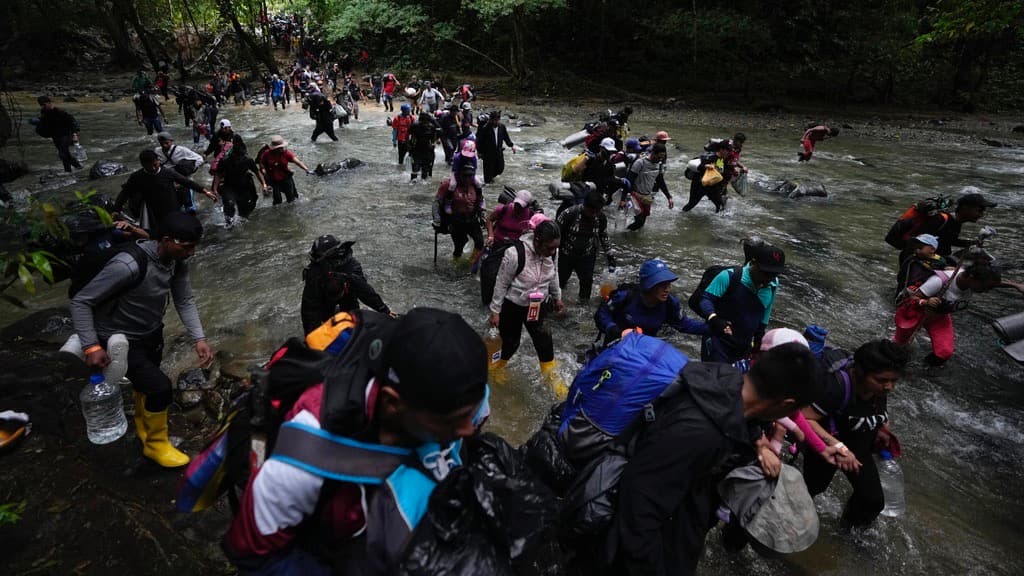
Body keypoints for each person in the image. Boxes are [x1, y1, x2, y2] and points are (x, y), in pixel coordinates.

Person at [223, 308, 490, 574]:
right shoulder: (302, 460)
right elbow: (252, 554)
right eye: (454, 421)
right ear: (392, 402)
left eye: (473, 412)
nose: (469, 428)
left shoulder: (460, 395)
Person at [605, 342, 820, 575]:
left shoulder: (724, 381)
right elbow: (638, 513)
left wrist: (759, 442)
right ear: (786, 404)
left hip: (680, 516)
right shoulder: (699, 432)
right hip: (648, 548)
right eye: (794, 411)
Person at [69, 212, 212, 468]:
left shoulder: (177, 261)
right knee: (160, 387)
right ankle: (156, 446)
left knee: (144, 385)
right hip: (117, 339)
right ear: (166, 240)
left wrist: (198, 338)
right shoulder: (128, 265)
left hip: (151, 332)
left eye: (194, 246)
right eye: (187, 247)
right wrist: (91, 346)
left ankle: (144, 429)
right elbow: (81, 301)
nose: (191, 253)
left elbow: (184, 299)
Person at [801, 340, 909, 526]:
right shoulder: (836, 387)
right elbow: (804, 418)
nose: (889, 387)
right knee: (811, 490)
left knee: (872, 501)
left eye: (894, 381)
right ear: (860, 372)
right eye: (882, 380)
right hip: (828, 447)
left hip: (858, 445)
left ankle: (847, 533)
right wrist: (838, 446)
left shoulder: (878, 389)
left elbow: (875, 410)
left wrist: (881, 428)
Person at [487, 218, 566, 394]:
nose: (552, 252)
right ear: (537, 241)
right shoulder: (515, 254)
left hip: (537, 304)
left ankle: (552, 379)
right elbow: (501, 283)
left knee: (545, 342)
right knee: (510, 343)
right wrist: (495, 311)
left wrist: (557, 297)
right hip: (513, 305)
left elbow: (554, 274)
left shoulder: (552, 253)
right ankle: (496, 368)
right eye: (549, 248)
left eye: (555, 248)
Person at [894, 263, 1016, 365]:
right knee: (899, 348)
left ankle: (922, 371)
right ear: (972, 278)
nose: (986, 291)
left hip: (939, 316)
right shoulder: (939, 281)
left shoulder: (972, 279)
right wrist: (926, 301)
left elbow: (992, 283)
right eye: (985, 287)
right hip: (915, 313)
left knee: (944, 353)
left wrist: (1015, 286)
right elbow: (911, 297)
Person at [698, 244, 785, 363]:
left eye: (774, 274)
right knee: (717, 374)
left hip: (744, 346)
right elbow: (705, 299)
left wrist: (759, 336)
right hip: (718, 341)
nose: (769, 278)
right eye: (765, 273)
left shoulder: (773, 284)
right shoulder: (730, 276)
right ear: (753, 263)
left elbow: (766, 311)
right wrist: (714, 318)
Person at [595, 258, 706, 345]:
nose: (667, 289)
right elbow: (602, 313)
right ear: (649, 285)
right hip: (616, 344)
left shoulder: (670, 303)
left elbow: (684, 324)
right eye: (662, 284)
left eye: (668, 284)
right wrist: (613, 329)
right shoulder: (625, 296)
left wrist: (713, 327)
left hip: (645, 348)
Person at [299, 235, 394, 334]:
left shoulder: (352, 269)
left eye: (337, 295)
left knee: (353, 318)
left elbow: (365, 292)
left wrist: (385, 311)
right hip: (324, 297)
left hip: (348, 292)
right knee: (322, 320)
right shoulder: (314, 274)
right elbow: (309, 309)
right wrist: (311, 336)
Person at [896, 193, 996, 277]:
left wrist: (972, 243)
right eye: (979, 210)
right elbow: (917, 242)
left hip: (935, 260)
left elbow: (949, 240)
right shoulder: (940, 220)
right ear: (965, 208)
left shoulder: (956, 222)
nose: (981, 214)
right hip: (917, 263)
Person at [115, 149, 214, 231]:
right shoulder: (137, 177)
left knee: (176, 228)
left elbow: (186, 182)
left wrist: (204, 191)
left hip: (172, 205)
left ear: (158, 161)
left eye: (155, 165)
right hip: (153, 209)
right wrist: (116, 209)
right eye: (149, 167)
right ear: (143, 165)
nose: (153, 168)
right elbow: (125, 193)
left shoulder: (167, 172)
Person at [480, 189, 538, 306]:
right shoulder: (504, 209)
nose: (517, 207)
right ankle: (487, 301)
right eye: (516, 204)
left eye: (520, 206)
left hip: (517, 249)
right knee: (488, 272)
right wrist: (491, 236)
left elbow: (535, 233)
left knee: (514, 277)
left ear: (527, 206)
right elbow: (490, 220)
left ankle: (507, 301)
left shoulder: (531, 216)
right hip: (498, 245)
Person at [557, 190, 614, 303]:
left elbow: (603, 235)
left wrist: (609, 254)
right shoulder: (569, 214)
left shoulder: (601, 217)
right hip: (566, 254)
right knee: (560, 281)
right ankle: (557, 302)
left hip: (587, 254)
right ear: (585, 206)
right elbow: (555, 234)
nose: (594, 214)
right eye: (592, 211)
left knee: (587, 281)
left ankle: (583, 305)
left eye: (597, 211)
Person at [212, 136, 267, 228]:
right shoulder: (225, 160)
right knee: (229, 204)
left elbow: (257, 172)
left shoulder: (248, 160)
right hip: (229, 186)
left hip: (244, 187)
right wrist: (215, 189)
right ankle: (229, 225)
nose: (237, 158)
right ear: (232, 153)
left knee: (244, 212)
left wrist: (264, 184)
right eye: (236, 156)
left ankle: (243, 226)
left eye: (240, 156)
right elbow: (218, 175)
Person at [433, 165, 485, 260]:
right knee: (460, 245)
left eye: (470, 176)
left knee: (480, 242)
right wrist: (437, 220)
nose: (467, 179)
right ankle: (456, 261)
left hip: (471, 218)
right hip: (455, 219)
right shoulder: (448, 185)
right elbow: (437, 203)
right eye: (465, 176)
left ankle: (472, 263)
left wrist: (482, 216)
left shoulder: (475, 185)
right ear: (459, 174)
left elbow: (480, 201)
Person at [622, 142, 674, 231]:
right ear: (653, 153)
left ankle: (629, 234)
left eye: (662, 158)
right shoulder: (640, 163)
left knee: (642, 223)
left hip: (647, 196)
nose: (660, 159)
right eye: (659, 157)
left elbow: (660, 181)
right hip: (635, 195)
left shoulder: (659, 165)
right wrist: (623, 199)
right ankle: (623, 234)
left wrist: (669, 197)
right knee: (639, 222)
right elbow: (629, 181)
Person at [155, 132, 206, 212]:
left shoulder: (181, 150)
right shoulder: (157, 151)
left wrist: (191, 169)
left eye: (166, 143)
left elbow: (199, 159)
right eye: (162, 144)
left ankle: (189, 205)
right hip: (168, 175)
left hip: (181, 174)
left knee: (185, 192)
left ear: (171, 141)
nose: (164, 145)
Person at [257, 135, 311, 205]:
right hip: (273, 180)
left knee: (291, 199)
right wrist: (263, 171)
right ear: (274, 148)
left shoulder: (286, 153)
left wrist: (306, 169)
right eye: (279, 148)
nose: (281, 149)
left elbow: (297, 162)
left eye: (282, 147)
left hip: (286, 178)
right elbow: (261, 164)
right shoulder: (267, 154)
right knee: (277, 200)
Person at [33, 96, 81, 172]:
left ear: (49, 103)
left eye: (44, 105)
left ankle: (68, 171)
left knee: (62, 154)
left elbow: (72, 122)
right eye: (41, 105)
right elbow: (45, 124)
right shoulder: (44, 112)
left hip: (66, 134)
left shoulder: (60, 112)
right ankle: (77, 167)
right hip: (55, 136)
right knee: (65, 154)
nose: (43, 106)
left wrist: (75, 134)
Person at [681, 140, 729, 213]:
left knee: (720, 205)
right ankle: (681, 215)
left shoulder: (721, 158)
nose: (729, 152)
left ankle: (718, 219)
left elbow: (719, 172)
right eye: (727, 150)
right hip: (699, 185)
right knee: (691, 204)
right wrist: (706, 166)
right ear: (721, 149)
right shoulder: (709, 157)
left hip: (711, 186)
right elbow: (700, 167)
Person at [475, 111, 515, 184]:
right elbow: (479, 141)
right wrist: (479, 152)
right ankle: (488, 184)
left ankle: (491, 177)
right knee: (487, 175)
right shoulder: (485, 128)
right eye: (493, 120)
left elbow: (506, 137)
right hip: (488, 153)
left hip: (498, 151)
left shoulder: (502, 127)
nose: (494, 122)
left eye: (496, 120)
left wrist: (511, 145)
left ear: (499, 120)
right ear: (490, 120)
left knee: (500, 169)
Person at [408, 111, 440, 181]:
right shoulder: (416, 125)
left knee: (420, 167)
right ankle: (419, 180)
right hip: (421, 149)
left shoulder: (428, 126)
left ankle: (417, 180)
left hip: (422, 149)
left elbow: (409, 136)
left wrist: (409, 147)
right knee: (419, 167)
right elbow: (408, 136)